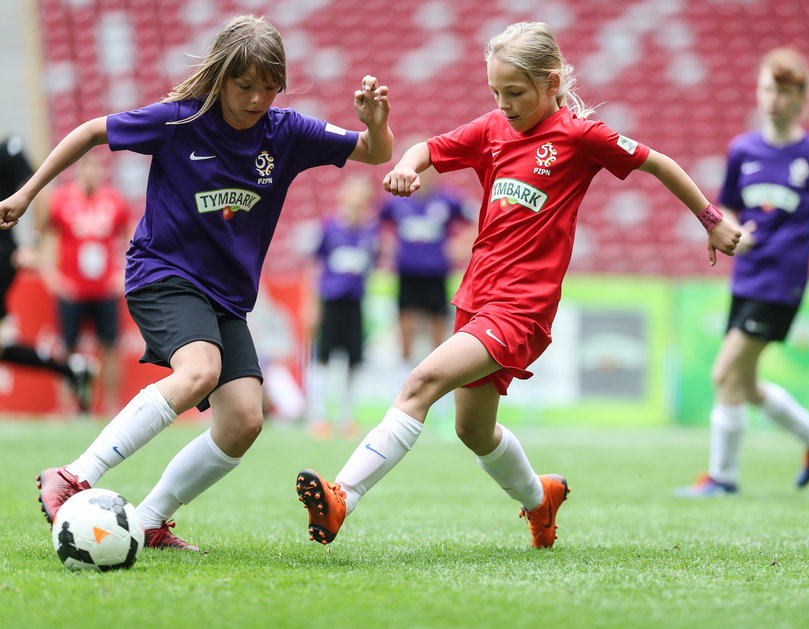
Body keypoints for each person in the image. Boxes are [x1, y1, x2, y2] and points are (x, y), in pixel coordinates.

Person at [294, 21, 740, 549]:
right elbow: (427, 149)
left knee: (420, 384)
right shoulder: (491, 129)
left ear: (552, 83)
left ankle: (343, 494)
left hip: (522, 308)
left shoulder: (580, 136)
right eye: (496, 92)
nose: (504, 104)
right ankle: (540, 500)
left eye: (516, 92)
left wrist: (710, 218)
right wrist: (408, 169)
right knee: (473, 431)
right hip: (475, 297)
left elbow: (657, 163)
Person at [0, 14, 393, 550]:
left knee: (244, 422)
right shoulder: (180, 122)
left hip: (226, 297)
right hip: (162, 274)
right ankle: (73, 474)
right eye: (245, 84)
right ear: (221, 76)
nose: (258, 97)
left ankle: (149, 521)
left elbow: (377, 152)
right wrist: (26, 194)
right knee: (200, 371)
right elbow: (92, 131)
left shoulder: (288, 132)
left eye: (269, 85)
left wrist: (375, 123)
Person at [675, 48, 809, 497]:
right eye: (768, 88)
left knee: (724, 371)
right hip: (746, 275)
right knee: (744, 383)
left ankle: (723, 478)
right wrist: (731, 230)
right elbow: (727, 204)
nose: (774, 99)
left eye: (784, 91)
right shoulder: (742, 149)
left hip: (782, 279)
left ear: (801, 97)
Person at [0, 133, 93, 413]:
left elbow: (39, 193)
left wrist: (34, 243)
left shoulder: (8, 149)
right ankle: (71, 369)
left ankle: (71, 369)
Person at [37, 149, 134, 414]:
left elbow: (132, 237)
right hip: (72, 289)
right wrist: (52, 278)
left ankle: (112, 404)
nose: (92, 174)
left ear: (102, 172)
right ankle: (66, 406)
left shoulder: (114, 201)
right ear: (79, 171)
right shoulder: (62, 201)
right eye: (87, 169)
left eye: (97, 169)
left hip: (105, 289)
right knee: (67, 346)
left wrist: (123, 274)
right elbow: (47, 239)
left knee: (111, 346)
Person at [378, 142, 473, 373]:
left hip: (436, 274)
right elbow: (375, 226)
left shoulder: (448, 200)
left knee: (438, 334)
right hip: (407, 274)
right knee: (405, 332)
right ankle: (402, 382)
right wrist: (386, 247)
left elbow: (477, 222)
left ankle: (438, 386)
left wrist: (460, 247)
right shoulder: (396, 199)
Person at [305, 175, 380, 439]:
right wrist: (312, 305)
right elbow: (314, 267)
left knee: (354, 361)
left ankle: (348, 417)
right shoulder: (329, 229)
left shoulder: (371, 233)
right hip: (331, 302)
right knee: (323, 359)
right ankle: (318, 415)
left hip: (355, 302)